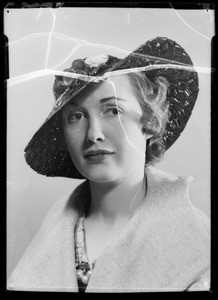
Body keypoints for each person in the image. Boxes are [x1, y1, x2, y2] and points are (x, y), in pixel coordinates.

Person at [7, 37, 210, 292]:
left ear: (148, 119)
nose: (94, 134)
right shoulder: (52, 232)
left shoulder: (200, 246)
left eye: (113, 110)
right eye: (76, 116)